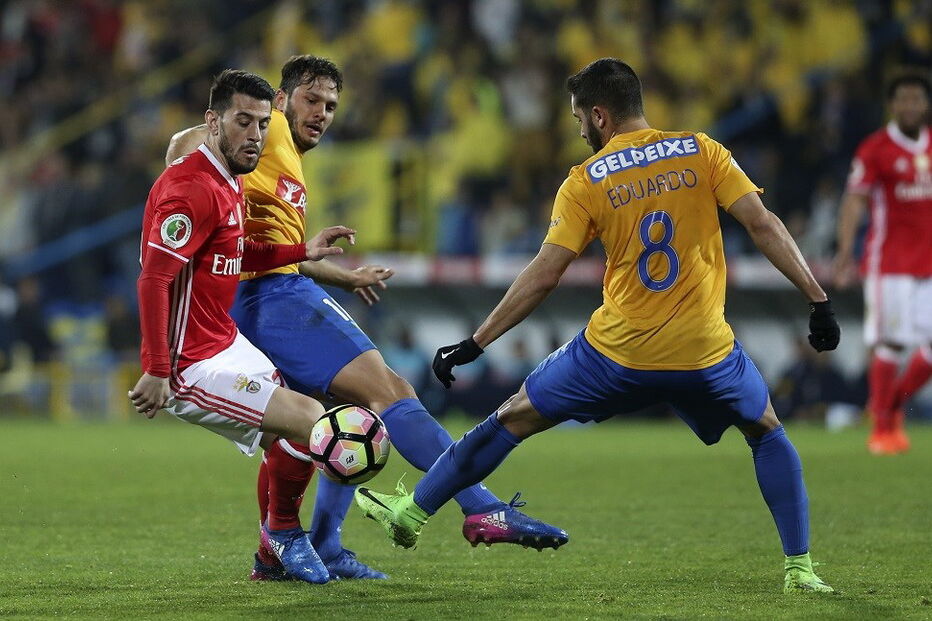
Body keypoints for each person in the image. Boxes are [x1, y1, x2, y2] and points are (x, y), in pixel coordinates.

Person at [354, 58, 840, 594]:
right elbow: (763, 224)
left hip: (615, 355)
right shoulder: (702, 151)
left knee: (511, 418)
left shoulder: (586, 180)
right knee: (767, 430)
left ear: (600, 115)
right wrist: (818, 300)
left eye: (579, 117)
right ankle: (800, 568)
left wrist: (475, 341)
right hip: (705, 352)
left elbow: (545, 274)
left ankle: (412, 514)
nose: (578, 128)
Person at [165, 55, 566, 582]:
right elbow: (181, 146)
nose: (323, 113)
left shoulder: (278, 160)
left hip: (261, 292)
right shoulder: (273, 131)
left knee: (345, 421)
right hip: (272, 297)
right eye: (312, 99)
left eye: (331, 105)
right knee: (392, 392)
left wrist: (344, 276)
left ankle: (314, 544)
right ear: (280, 102)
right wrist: (205, 148)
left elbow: (273, 247)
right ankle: (482, 506)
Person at [132, 68, 359, 585]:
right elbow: (154, 280)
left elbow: (239, 250)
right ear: (212, 122)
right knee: (310, 422)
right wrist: (157, 369)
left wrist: (303, 250)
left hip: (224, 342)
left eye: (261, 124)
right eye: (242, 122)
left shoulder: (227, 178)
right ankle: (282, 533)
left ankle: (269, 553)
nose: (255, 136)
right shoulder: (189, 189)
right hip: (190, 363)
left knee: (297, 425)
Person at [833, 72, 932, 455]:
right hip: (890, 263)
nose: (910, 106)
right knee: (891, 343)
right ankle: (881, 429)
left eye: (917, 99)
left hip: (929, 264)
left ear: (925, 104)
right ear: (893, 105)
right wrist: (845, 252)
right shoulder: (876, 149)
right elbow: (855, 200)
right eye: (903, 99)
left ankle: (890, 408)